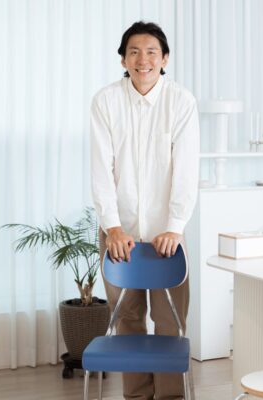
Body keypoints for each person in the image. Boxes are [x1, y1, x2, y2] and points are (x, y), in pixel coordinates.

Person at [90, 21, 199, 400]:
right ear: (123, 59)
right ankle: (136, 396)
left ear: (164, 58)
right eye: (134, 52)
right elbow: (100, 169)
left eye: (152, 52)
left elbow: (186, 171)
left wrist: (175, 225)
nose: (143, 59)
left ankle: (170, 397)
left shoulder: (181, 101)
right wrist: (113, 227)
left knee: (170, 324)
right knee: (127, 320)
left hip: (167, 235)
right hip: (119, 234)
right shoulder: (106, 101)